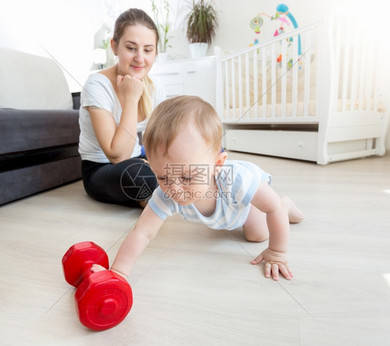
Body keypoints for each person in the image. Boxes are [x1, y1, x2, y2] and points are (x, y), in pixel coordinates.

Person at [98, 95, 304, 281]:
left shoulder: (237, 179)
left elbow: (272, 208)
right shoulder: (166, 192)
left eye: (186, 176)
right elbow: (142, 232)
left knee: (257, 234)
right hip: (225, 214)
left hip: (246, 202)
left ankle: (286, 205)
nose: (174, 188)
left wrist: (277, 252)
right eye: (162, 176)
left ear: (217, 164)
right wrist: (118, 273)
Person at [78, 8, 166, 207]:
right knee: (139, 175)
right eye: (131, 48)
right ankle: (162, 197)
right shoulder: (96, 85)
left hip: (140, 159)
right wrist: (131, 98)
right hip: (102, 169)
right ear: (114, 47)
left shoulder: (155, 88)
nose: (140, 58)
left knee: (190, 161)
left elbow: (162, 140)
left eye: (148, 50)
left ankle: (162, 194)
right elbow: (117, 156)